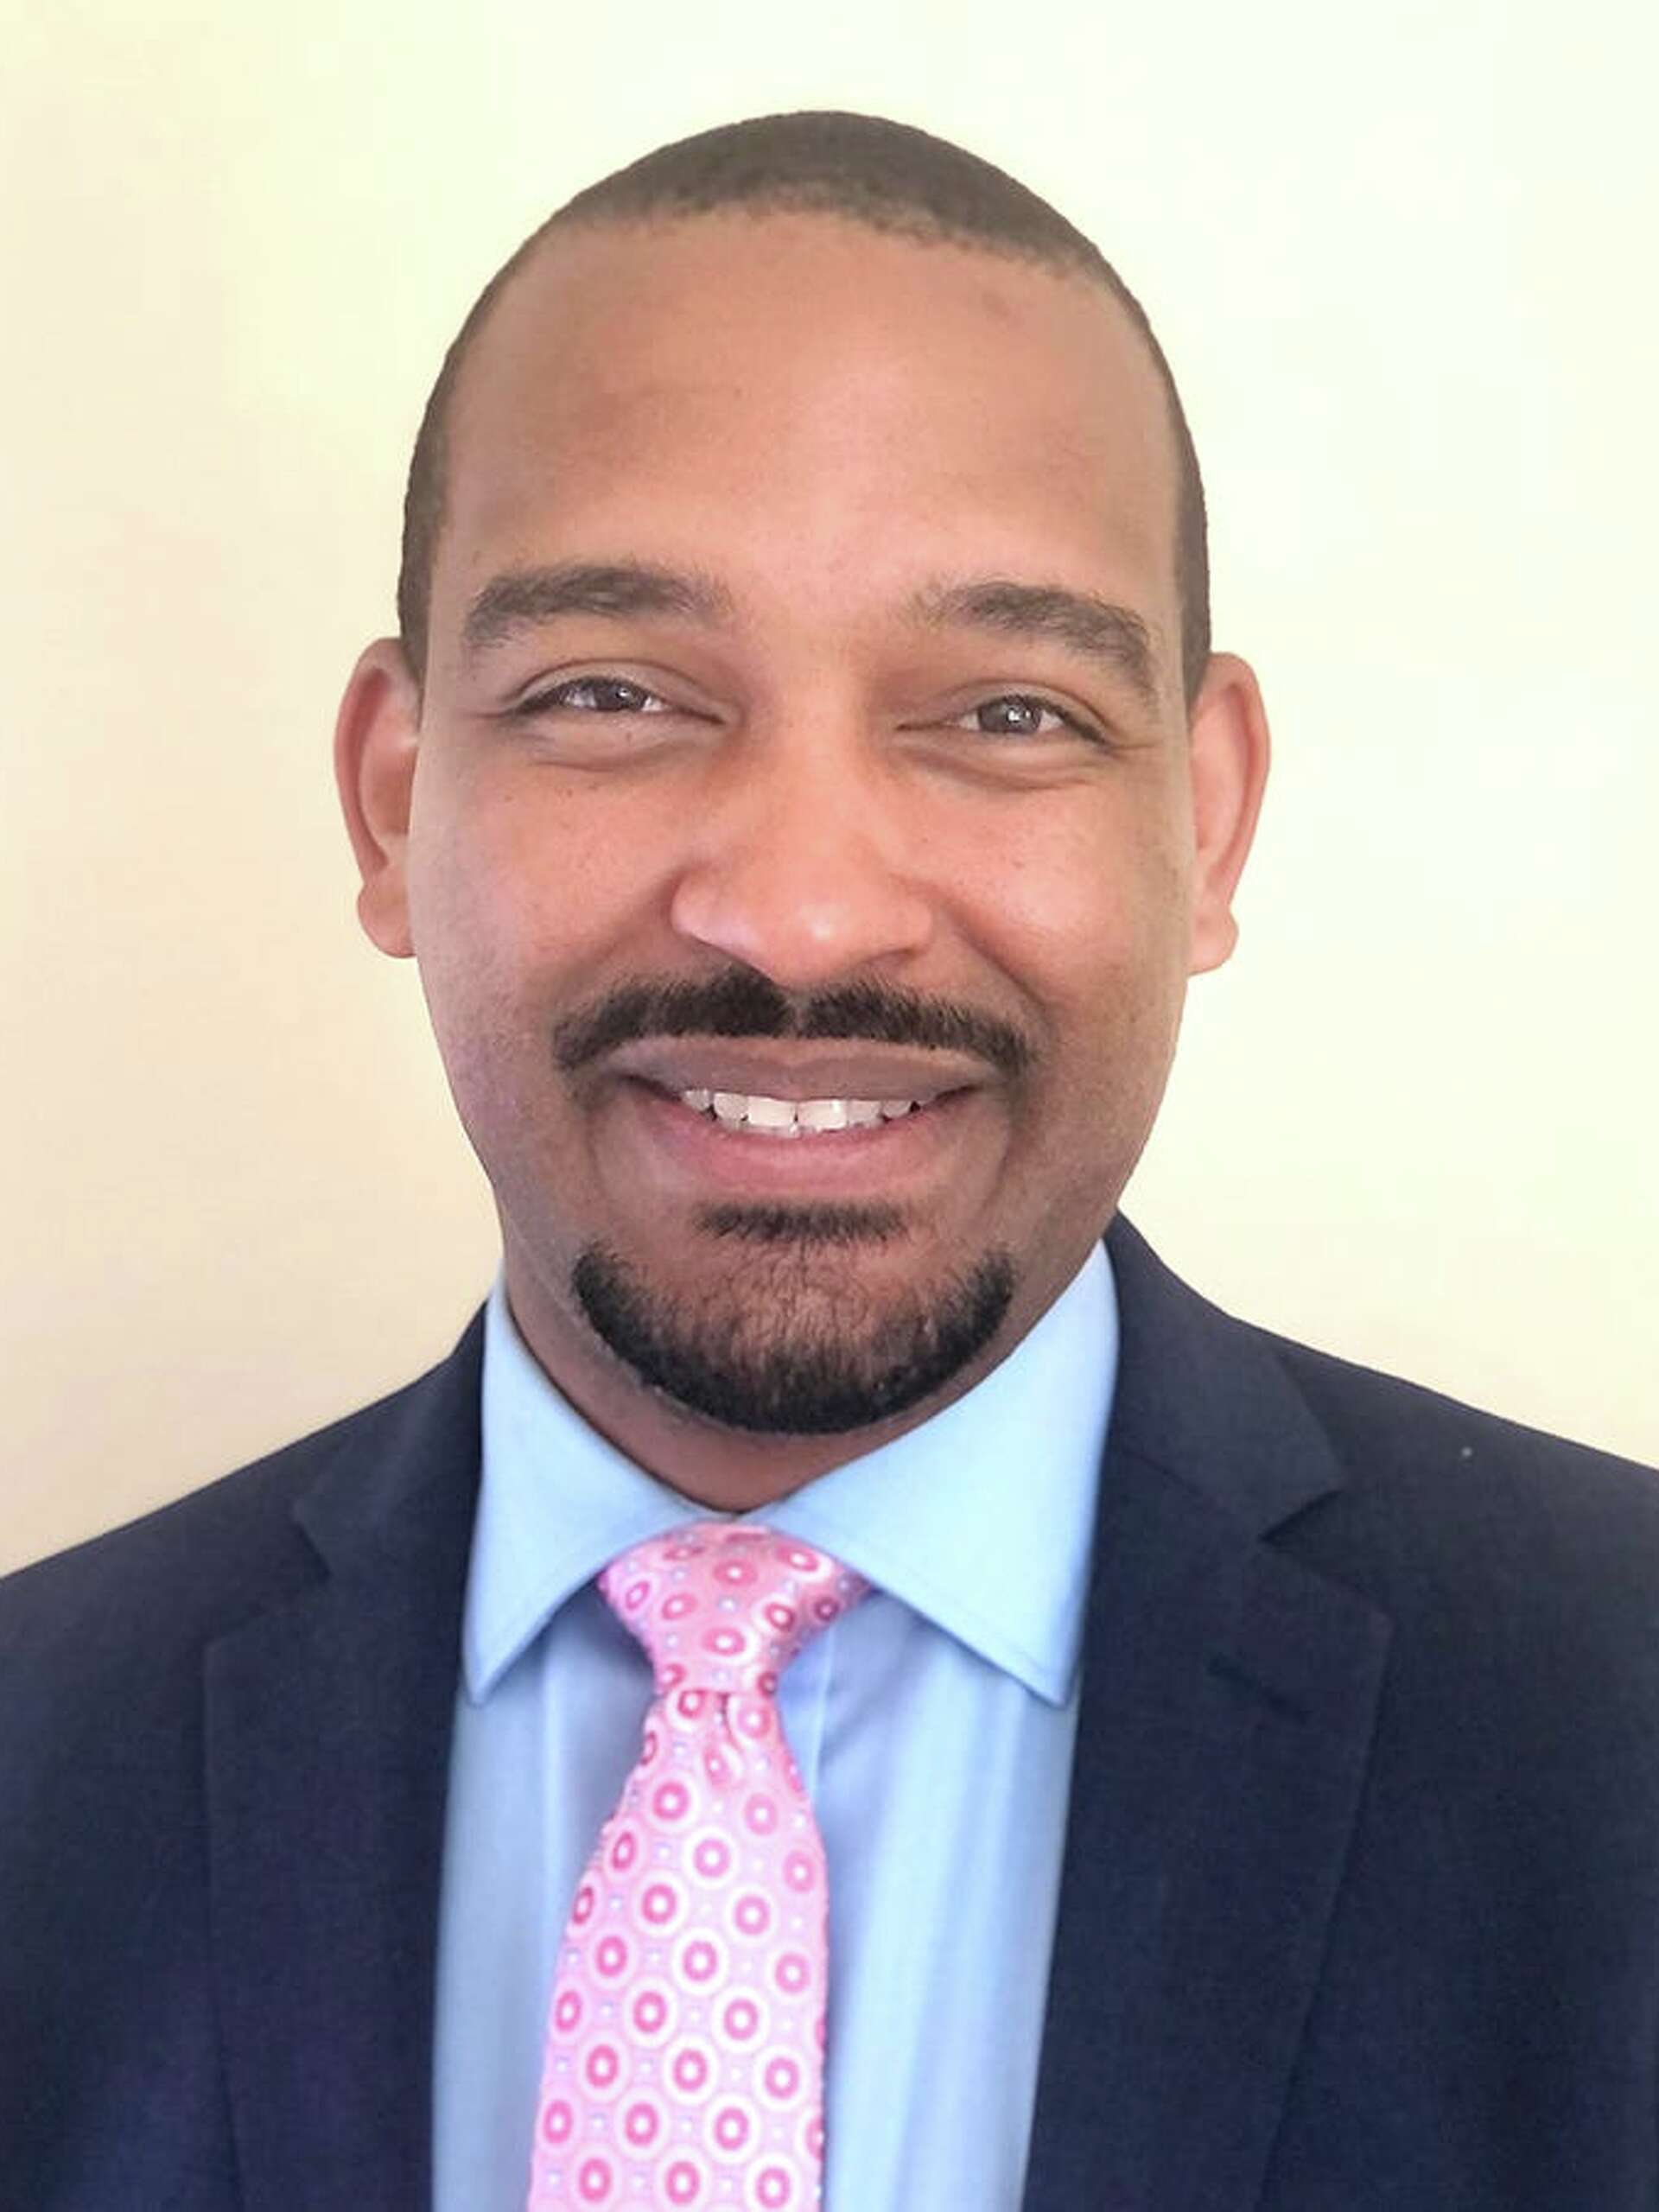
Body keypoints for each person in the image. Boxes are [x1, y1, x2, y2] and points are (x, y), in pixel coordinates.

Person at [3, 109, 1657, 2212]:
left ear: (1207, 818)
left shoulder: (1618, 1729)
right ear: (394, 799)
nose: (801, 912)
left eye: (1008, 714)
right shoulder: (37, 1764)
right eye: (615, 690)